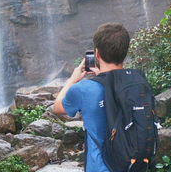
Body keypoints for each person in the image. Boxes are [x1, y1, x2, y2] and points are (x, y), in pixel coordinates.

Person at [54, 23, 131, 172]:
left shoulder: (84, 89)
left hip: (100, 167)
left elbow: (57, 107)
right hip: (133, 165)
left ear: (97, 54)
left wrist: (72, 79)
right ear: (125, 52)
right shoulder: (137, 83)